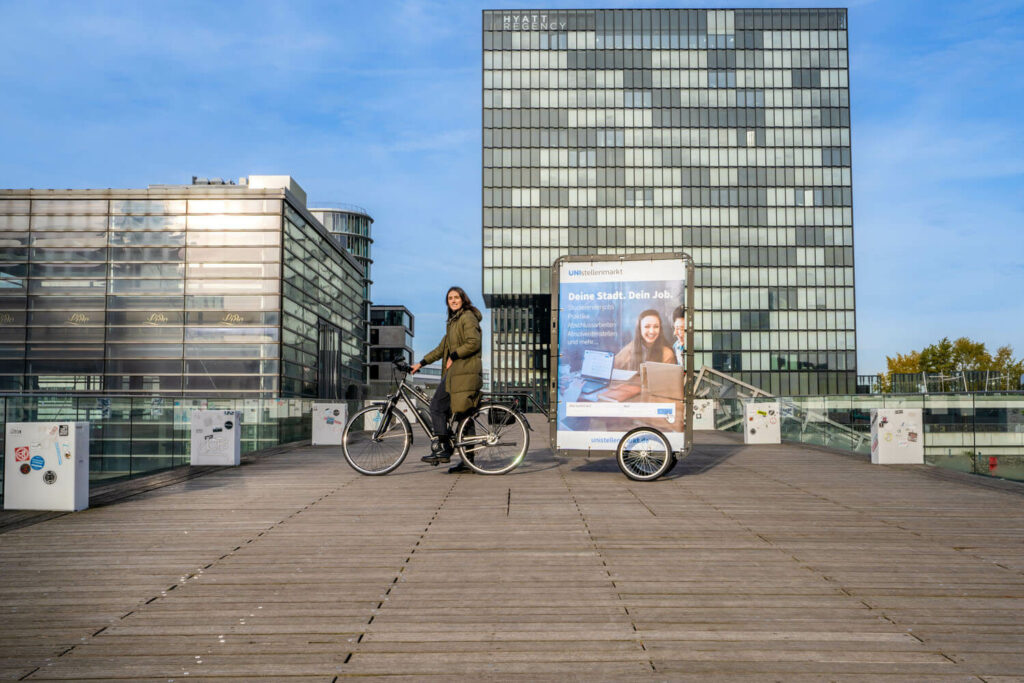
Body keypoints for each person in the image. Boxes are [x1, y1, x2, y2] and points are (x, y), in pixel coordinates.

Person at [409, 286, 483, 473]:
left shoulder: (467, 317)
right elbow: (441, 349)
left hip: (463, 374)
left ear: (463, 299)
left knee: (436, 406)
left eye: (456, 297)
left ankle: (443, 448)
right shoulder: (453, 323)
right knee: (464, 417)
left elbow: (473, 343)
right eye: (450, 298)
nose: (453, 300)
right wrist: (421, 363)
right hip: (457, 374)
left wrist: (454, 355)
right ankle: (468, 462)